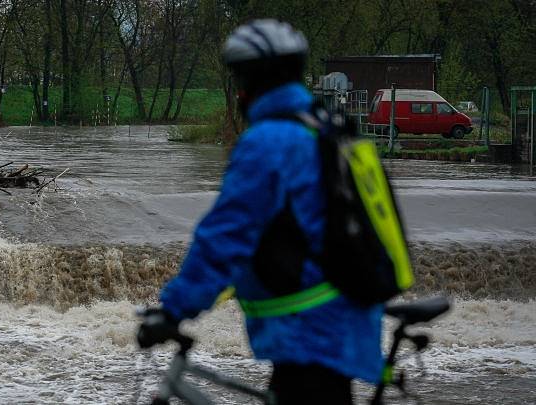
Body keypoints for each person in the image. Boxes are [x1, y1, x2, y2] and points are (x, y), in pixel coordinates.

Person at [137, 19, 383, 405]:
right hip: (337, 321)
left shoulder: (269, 142)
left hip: (310, 332)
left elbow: (227, 234)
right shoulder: (322, 127)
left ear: (250, 81)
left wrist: (174, 310)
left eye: (238, 77)